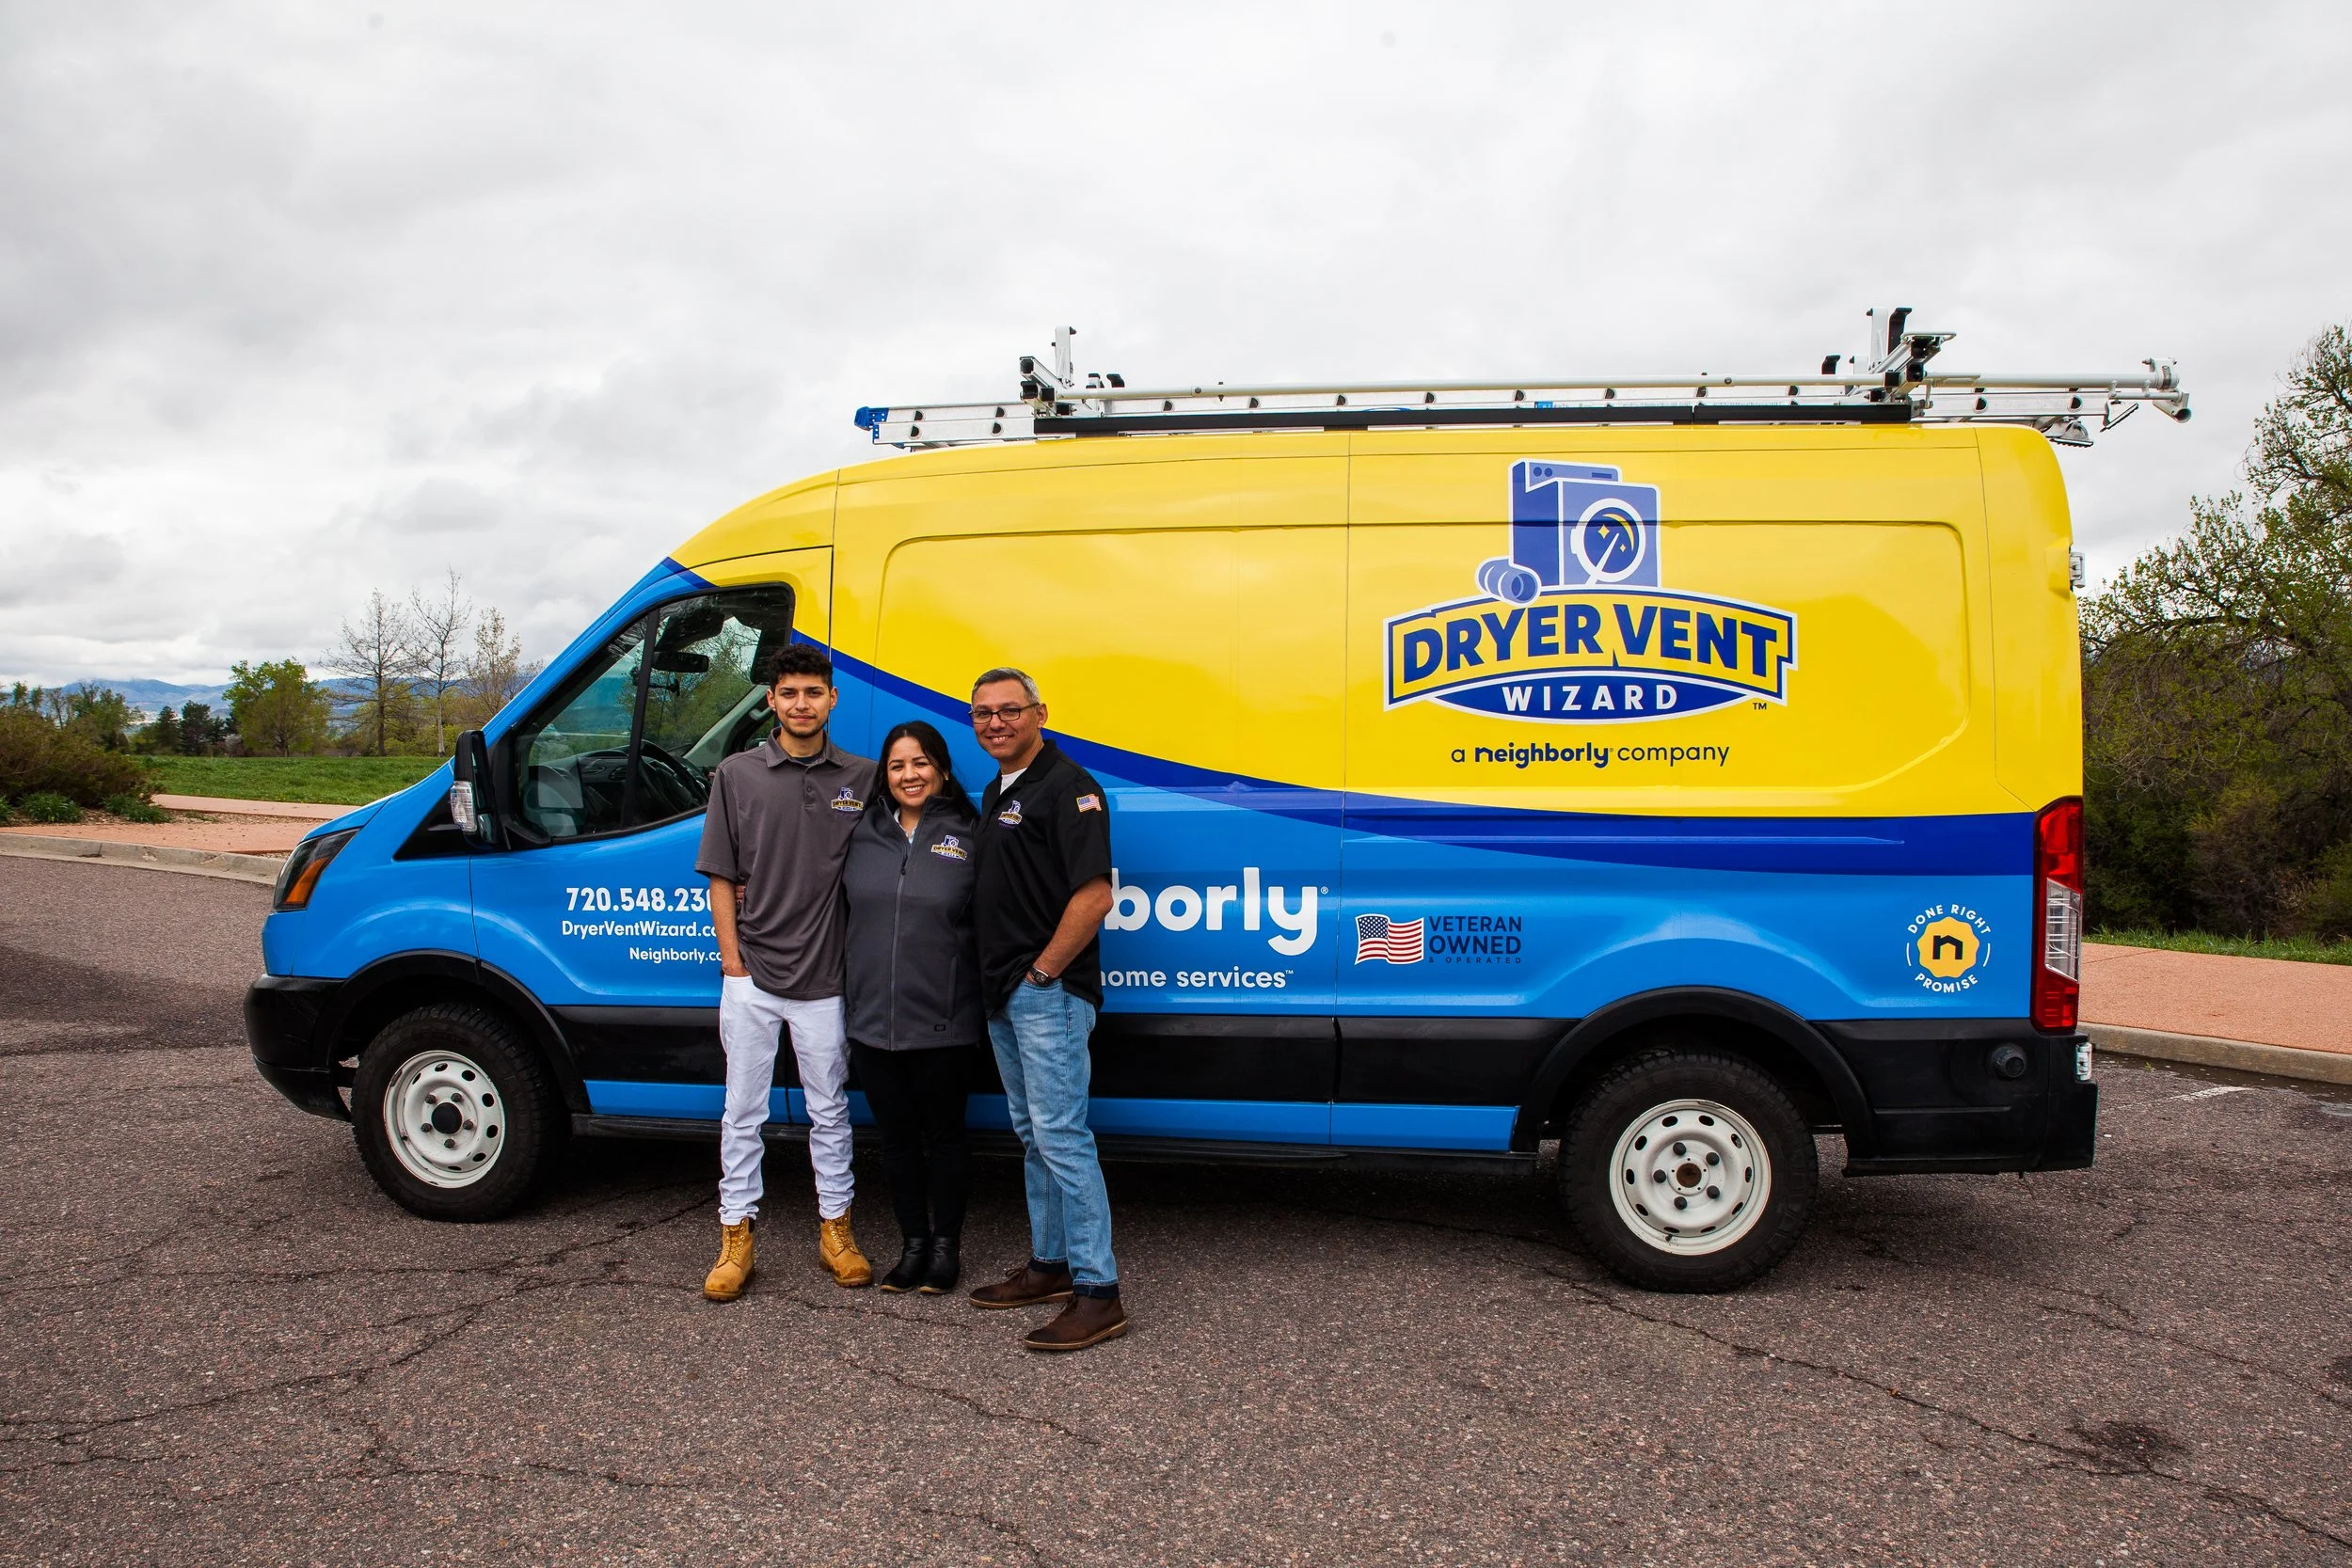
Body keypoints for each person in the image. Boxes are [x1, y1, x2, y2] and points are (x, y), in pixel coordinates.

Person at [698, 644, 877, 1301]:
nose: (802, 703)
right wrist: (733, 964)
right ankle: (736, 1237)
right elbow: (721, 875)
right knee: (741, 1113)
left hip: (826, 979)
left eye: (814, 692)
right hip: (752, 976)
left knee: (831, 1110)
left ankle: (837, 1231)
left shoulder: (863, 776)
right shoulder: (737, 775)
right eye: (790, 692)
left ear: (833, 699)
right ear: (771, 700)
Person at [964, 667, 1127, 1352]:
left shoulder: (1070, 788)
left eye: (1009, 710)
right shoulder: (999, 789)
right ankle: (1050, 1265)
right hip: (1006, 990)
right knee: (1035, 1135)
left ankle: (1099, 1292)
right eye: (982, 714)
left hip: (1045, 993)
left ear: (1040, 713)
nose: (995, 723)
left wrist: (1040, 973)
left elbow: (1094, 896)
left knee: (1062, 1136)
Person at [840, 720, 983, 1294]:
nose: (909, 774)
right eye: (898, 765)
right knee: (895, 1139)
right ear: (886, 775)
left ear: (942, 770)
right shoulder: (862, 832)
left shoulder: (972, 833)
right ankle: (913, 1244)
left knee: (945, 1137)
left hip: (945, 1019)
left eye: (921, 762)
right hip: (873, 1019)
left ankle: (946, 1246)